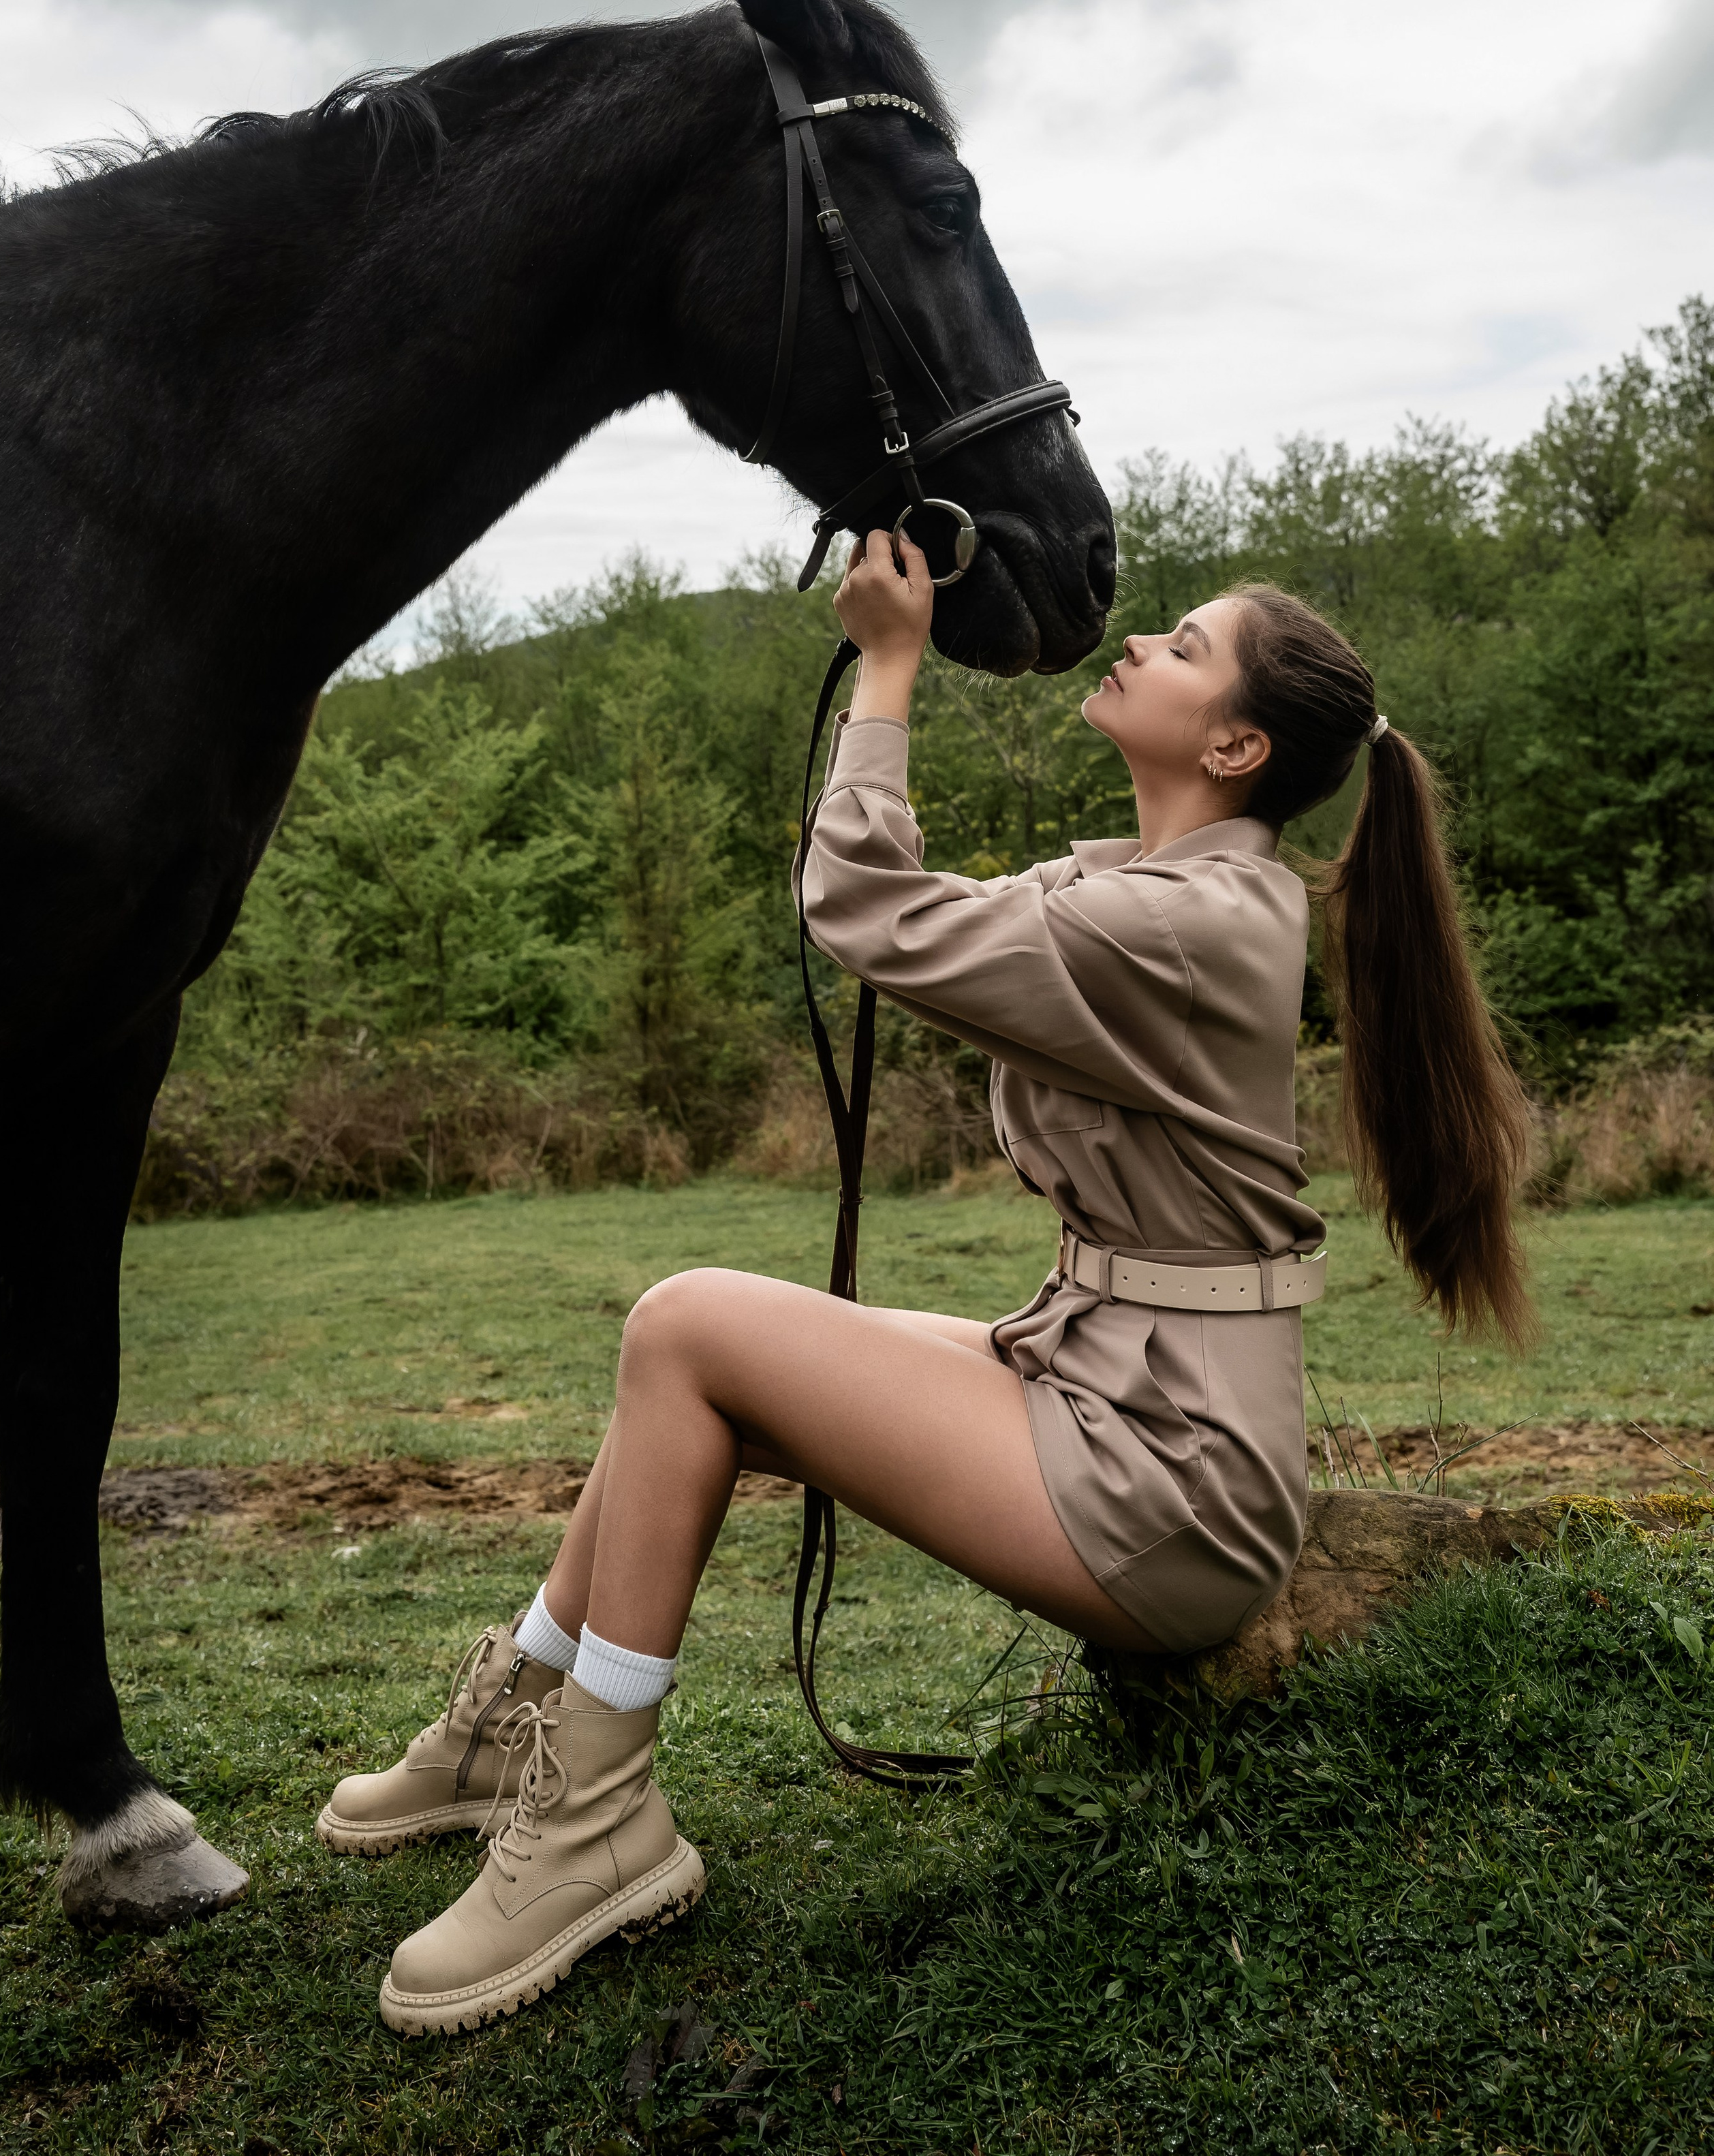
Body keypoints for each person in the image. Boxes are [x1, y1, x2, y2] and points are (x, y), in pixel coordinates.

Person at [317, 531, 1535, 2035]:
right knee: (685, 1370)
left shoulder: (1184, 921)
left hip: (1169, 1481)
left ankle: (593, 1825)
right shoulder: (1146, 886)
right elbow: (911, 913)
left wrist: (888, 666)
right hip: (1105, 1383)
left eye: (1183, 643)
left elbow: (866, 916)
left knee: (689, 1322)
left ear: (1233, 742)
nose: (1139, 645)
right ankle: (524, 1723)